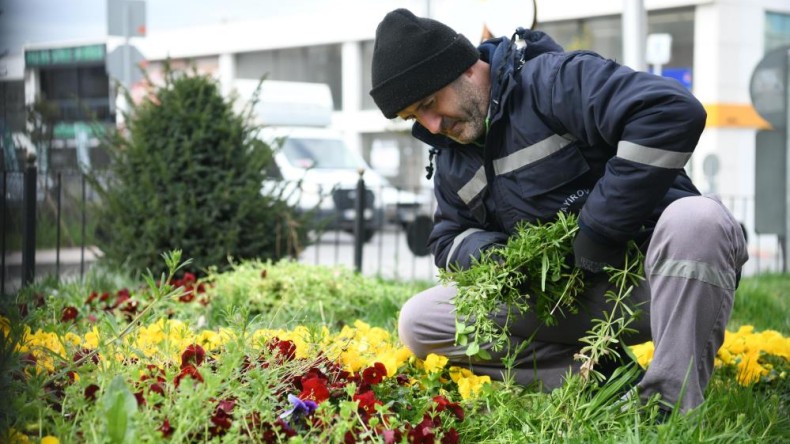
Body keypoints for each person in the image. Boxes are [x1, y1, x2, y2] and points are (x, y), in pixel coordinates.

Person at [369, 8, 748, 414]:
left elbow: (671, 112)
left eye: (429, 103)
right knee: (421, 320)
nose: (431, 125)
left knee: (699, 220)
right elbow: (448, 239)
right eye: (414, 118)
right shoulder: (451, 158)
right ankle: (603, 378)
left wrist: (601, 228)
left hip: (652, 284)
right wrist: (498, 255)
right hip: (559, 300)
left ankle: (667, 408)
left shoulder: (553, 80)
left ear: (462, 68)